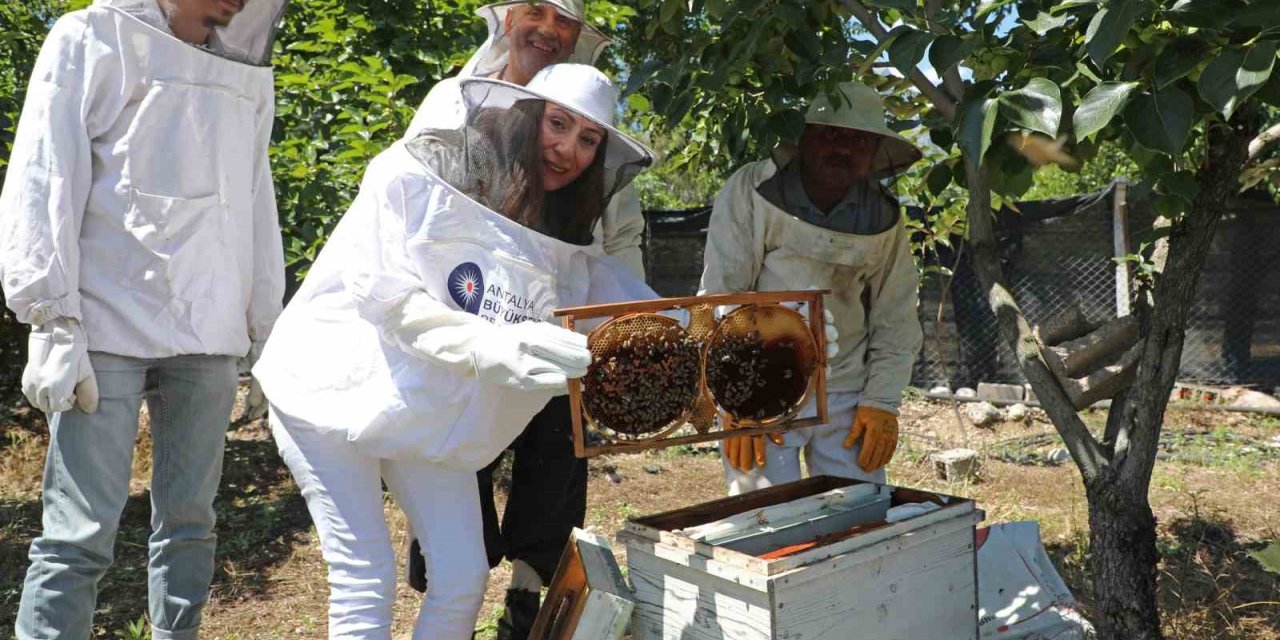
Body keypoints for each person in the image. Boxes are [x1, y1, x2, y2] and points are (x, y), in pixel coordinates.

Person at [252, 63, 655, 640]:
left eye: (588, 139)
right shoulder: (413, 174)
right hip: (328, 394)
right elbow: (384, 295)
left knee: (464, 575)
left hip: (418, 411)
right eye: (558, 124)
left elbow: (630, 309)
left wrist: (739, 328)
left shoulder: (565, 239)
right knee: (366, 578)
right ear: (523, 119)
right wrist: (488, 346)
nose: (567, 149)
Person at [0, 0, 288, 637]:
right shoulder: (91, 38)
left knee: (191, 522)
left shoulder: (243, 74)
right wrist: (50, 318)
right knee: (78, 534)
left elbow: (253, 198)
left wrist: (266, 323)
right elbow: (46, 174)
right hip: (102, 325)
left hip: (209, 332)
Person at [401, 4, 647, 637]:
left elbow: (616, 253)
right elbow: (415, 224)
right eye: (535, 10)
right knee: (458, 467)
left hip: (550, 332)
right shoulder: (452, 106)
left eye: (563, 19)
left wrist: (641, 322)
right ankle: (455, 589)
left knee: (558, 450)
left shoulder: (590, 133)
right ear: (507, 16)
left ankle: (528, 592)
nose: (548, 29)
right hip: (463, 325)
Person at [700, 81, 924, 496]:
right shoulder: (752, 189)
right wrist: (735, 396)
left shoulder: (884, 218)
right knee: (766, 516)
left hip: (848, 391)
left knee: (855, 514)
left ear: (874, 151)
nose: (843, 148)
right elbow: (722, 295)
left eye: (858, 140)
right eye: (831, 134)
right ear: (804, 139)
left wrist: (881, 401)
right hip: (761, 383)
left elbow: (895, 316)